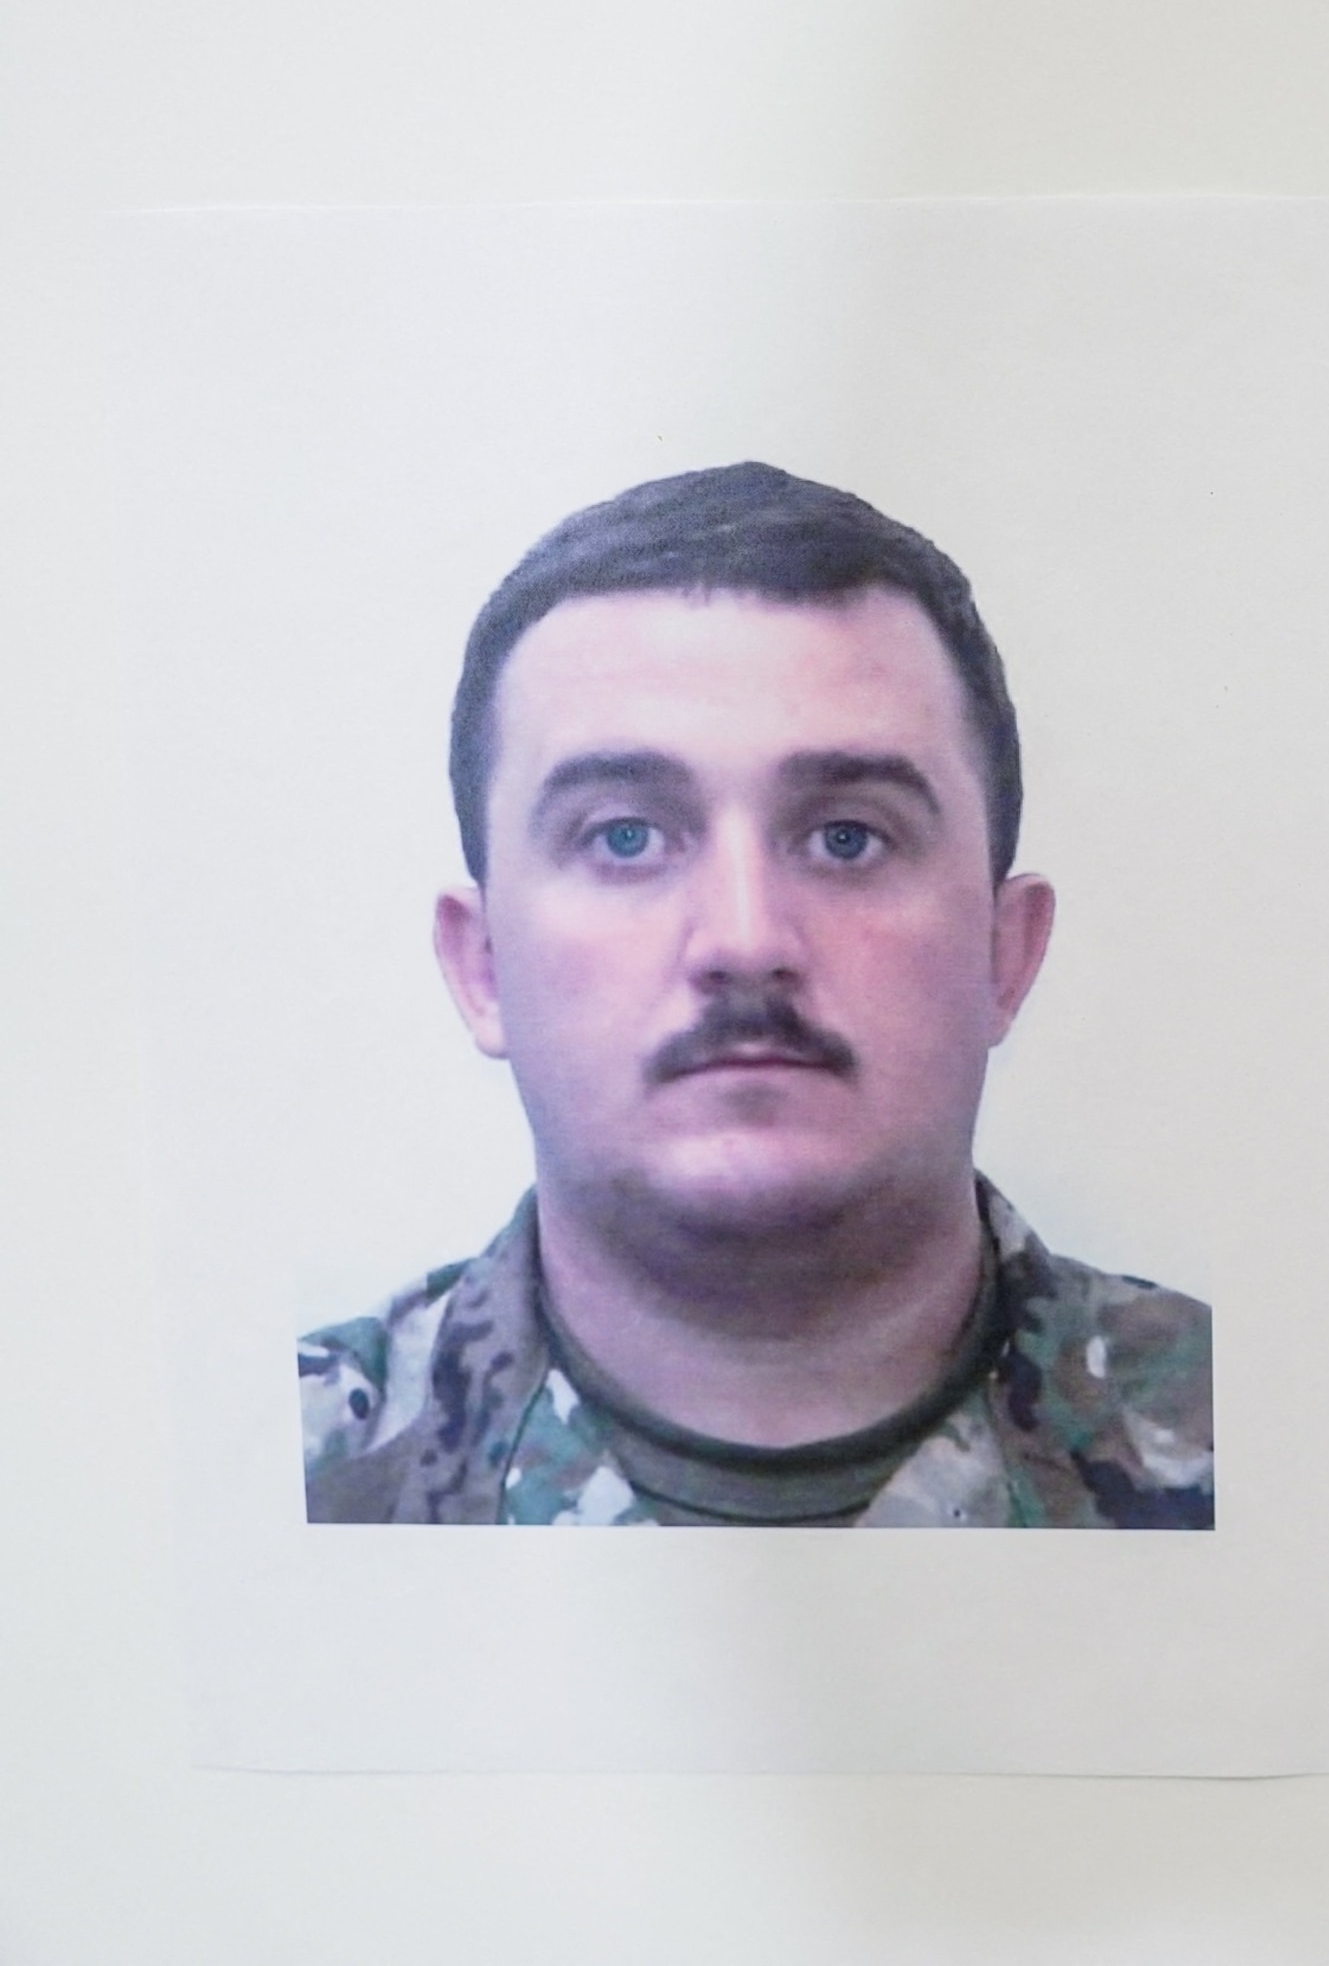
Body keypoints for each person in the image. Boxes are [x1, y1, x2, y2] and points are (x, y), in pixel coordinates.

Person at [299, 463, 1213, 1528]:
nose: (743, 940)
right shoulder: (283, 1474)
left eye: (846, 837)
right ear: (483, 967)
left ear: (1004, 955)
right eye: (625, 837)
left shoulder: (1287, 1444)